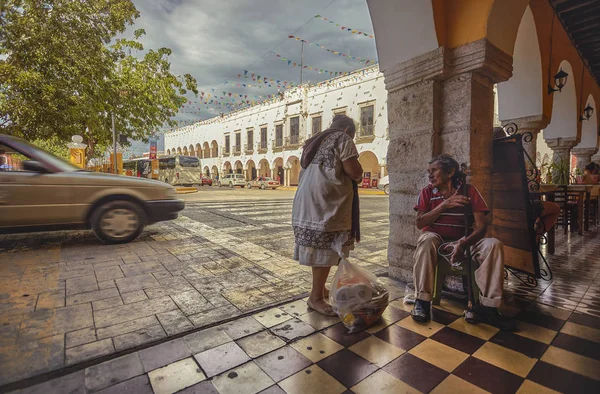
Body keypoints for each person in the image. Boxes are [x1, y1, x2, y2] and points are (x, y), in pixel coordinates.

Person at [411, 154, 515, 331]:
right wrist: (444, 206)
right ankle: (421, 301)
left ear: (450, 172)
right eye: (428, 171)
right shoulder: (427, 192)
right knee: (427, 240)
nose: (430, 175)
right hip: (438, 239)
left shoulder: (469, 191)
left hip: (465, 240)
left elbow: (481, 227)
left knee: (493, 245)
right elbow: (420, 223)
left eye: (434, 170)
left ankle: (488, 306)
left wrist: (464, 243)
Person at [292, 115, 363, 316]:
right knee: (327, 249)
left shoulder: (313, 141)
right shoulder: (343, 139)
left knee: (321, 250)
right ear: (348, 130)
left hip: (307, 202)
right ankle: (315, 298)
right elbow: (355, 172)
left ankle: (319, 289)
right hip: (326, 204)